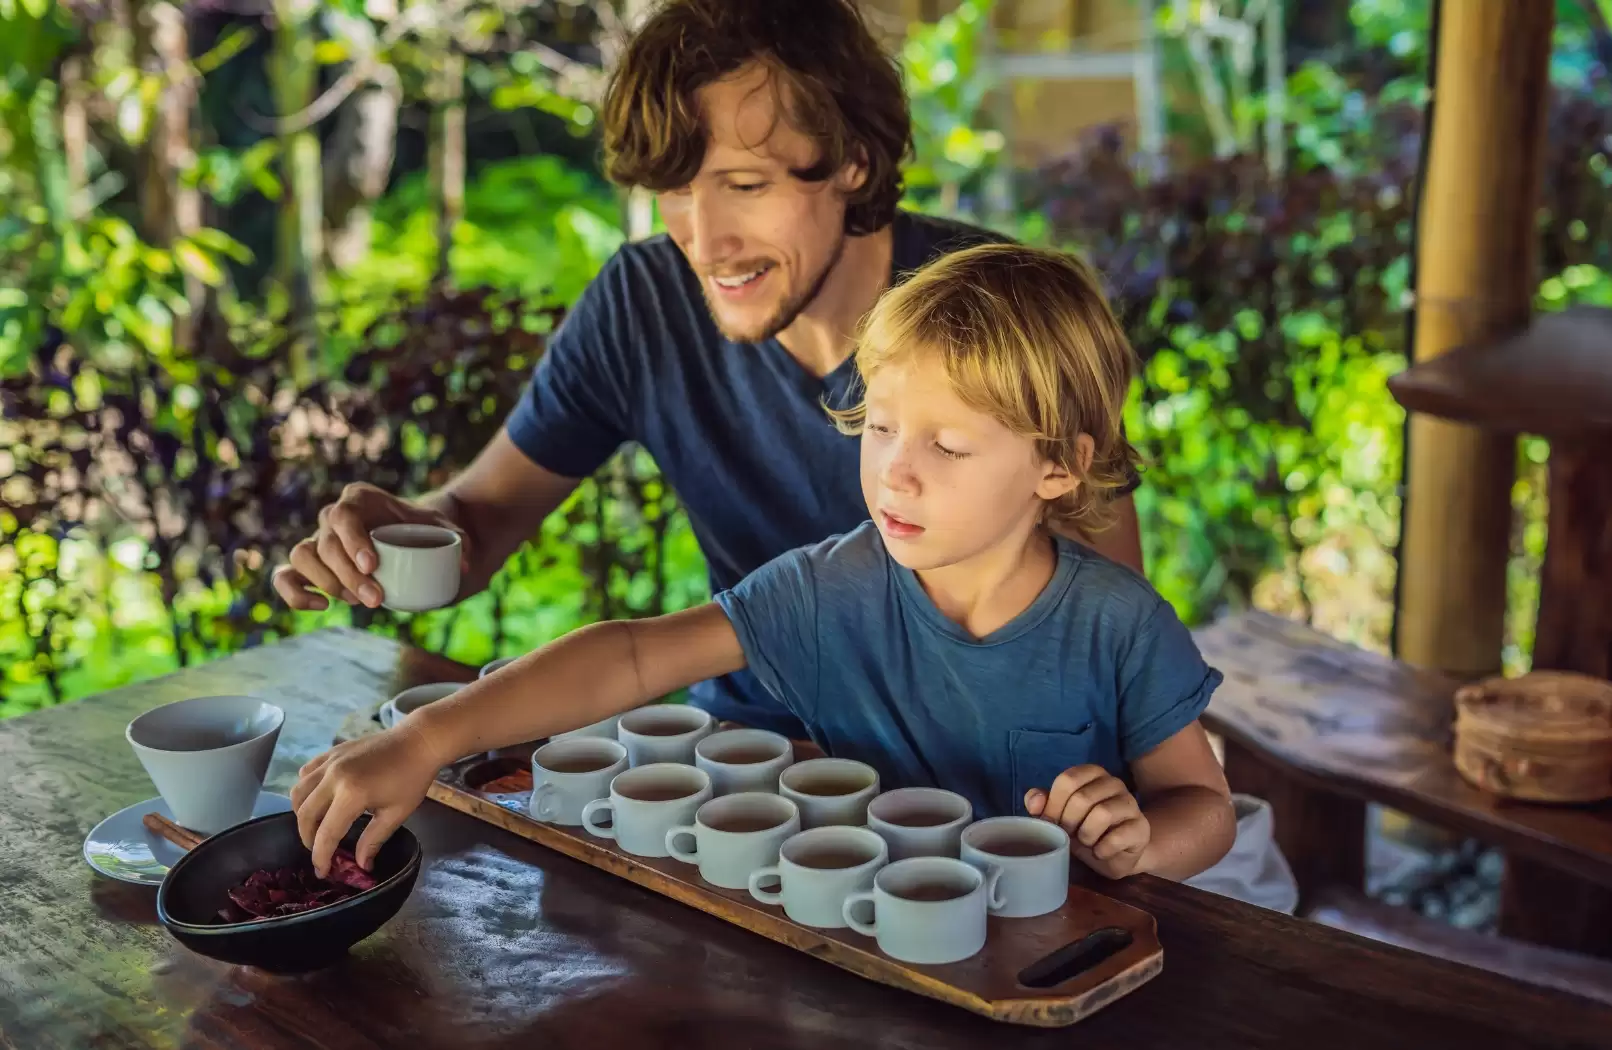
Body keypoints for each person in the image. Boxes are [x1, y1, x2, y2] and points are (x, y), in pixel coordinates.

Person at [269, 0, 1145, 745]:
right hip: (743, 769)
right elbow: (480, 524)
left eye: (745, 185)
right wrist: (401, 535)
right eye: (677, 188)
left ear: (853, 163)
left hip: (972, 786)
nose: (705, 238)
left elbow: (1112, 635)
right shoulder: (643, 304)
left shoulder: (995, 315)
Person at [293, 243, 1246, 902]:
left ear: (1058, 466)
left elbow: (1202, 804)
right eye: (878, 427)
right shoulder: (829, 587)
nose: (894, 470)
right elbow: (628, 660)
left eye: (948, 446)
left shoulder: (1120, 624)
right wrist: (427, 737)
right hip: (871, 942)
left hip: (1065, 953)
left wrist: (1141, 844)